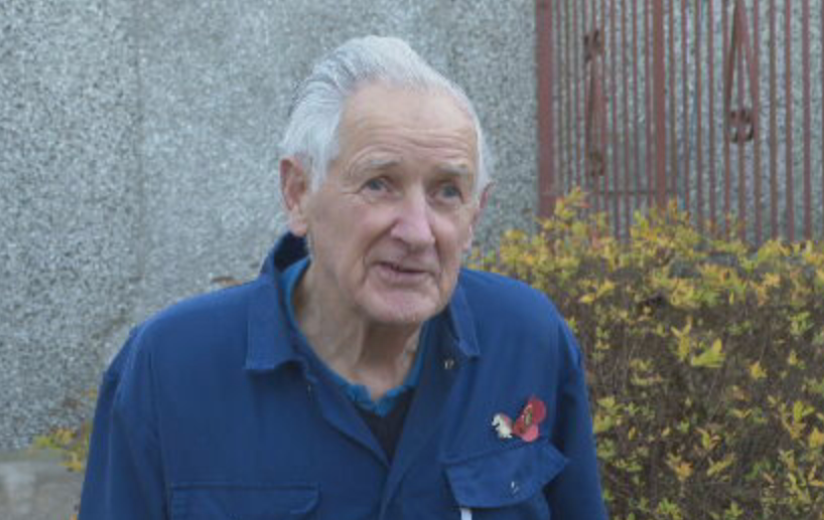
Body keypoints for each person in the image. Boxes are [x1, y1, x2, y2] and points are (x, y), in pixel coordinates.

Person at [79, 35, 608, 520]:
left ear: (477, 211)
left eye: (448, 191)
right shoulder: (168, 369)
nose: (419, 232)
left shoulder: (527, 340)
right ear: (297, 193)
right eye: (380, 183)